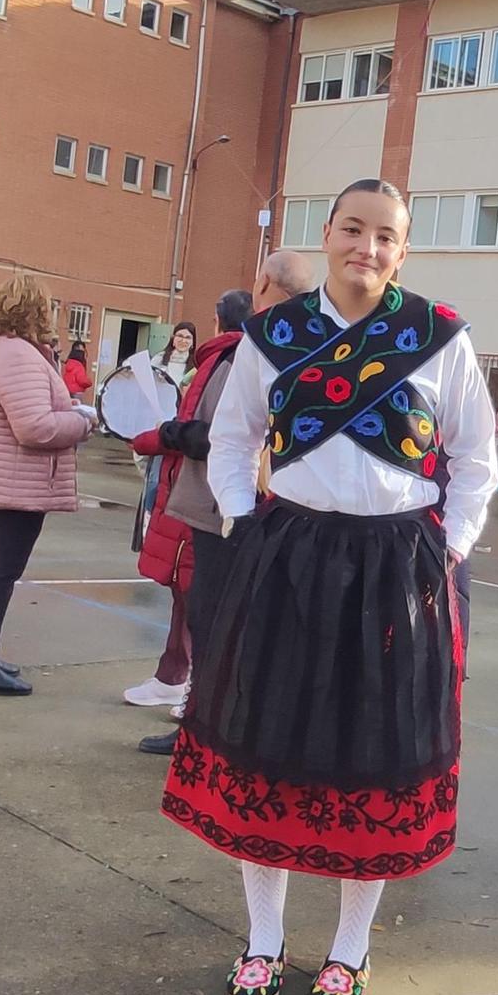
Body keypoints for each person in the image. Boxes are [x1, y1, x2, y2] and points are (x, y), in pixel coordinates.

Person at [162, 179, 496, 995]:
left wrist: (444, 548)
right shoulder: (272, 335)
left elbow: (479, 459)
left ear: (403, 249)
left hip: (398, 563)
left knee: (375, 753)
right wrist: (246, 521)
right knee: (263, 739)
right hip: (292, 552)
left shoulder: (438, 338)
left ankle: (351, 945)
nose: (368, 248)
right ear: (330, 232)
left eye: (386, 236)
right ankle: (264, 937)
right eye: (354, 229)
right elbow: (234, 436)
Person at [126, 252, 322, 752]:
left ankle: (205, 733)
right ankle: (222, 728)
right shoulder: (310, 346)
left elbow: (225, 435)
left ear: (263, 284)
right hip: (267, 508)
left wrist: (169, 433)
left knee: (215, 626)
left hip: (227, 509)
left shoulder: (252, 350)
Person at [0, 272, 96, 695]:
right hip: (13, 482)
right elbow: (35, 428)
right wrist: (81, 422)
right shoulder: (19, 357)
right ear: (36, 312)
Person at [158, 321, 197, 385]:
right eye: (180, 336)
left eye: (188, 337)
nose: (183, 341)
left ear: (192, 342)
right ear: (173, 338)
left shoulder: (196, 365)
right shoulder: (159, 358)